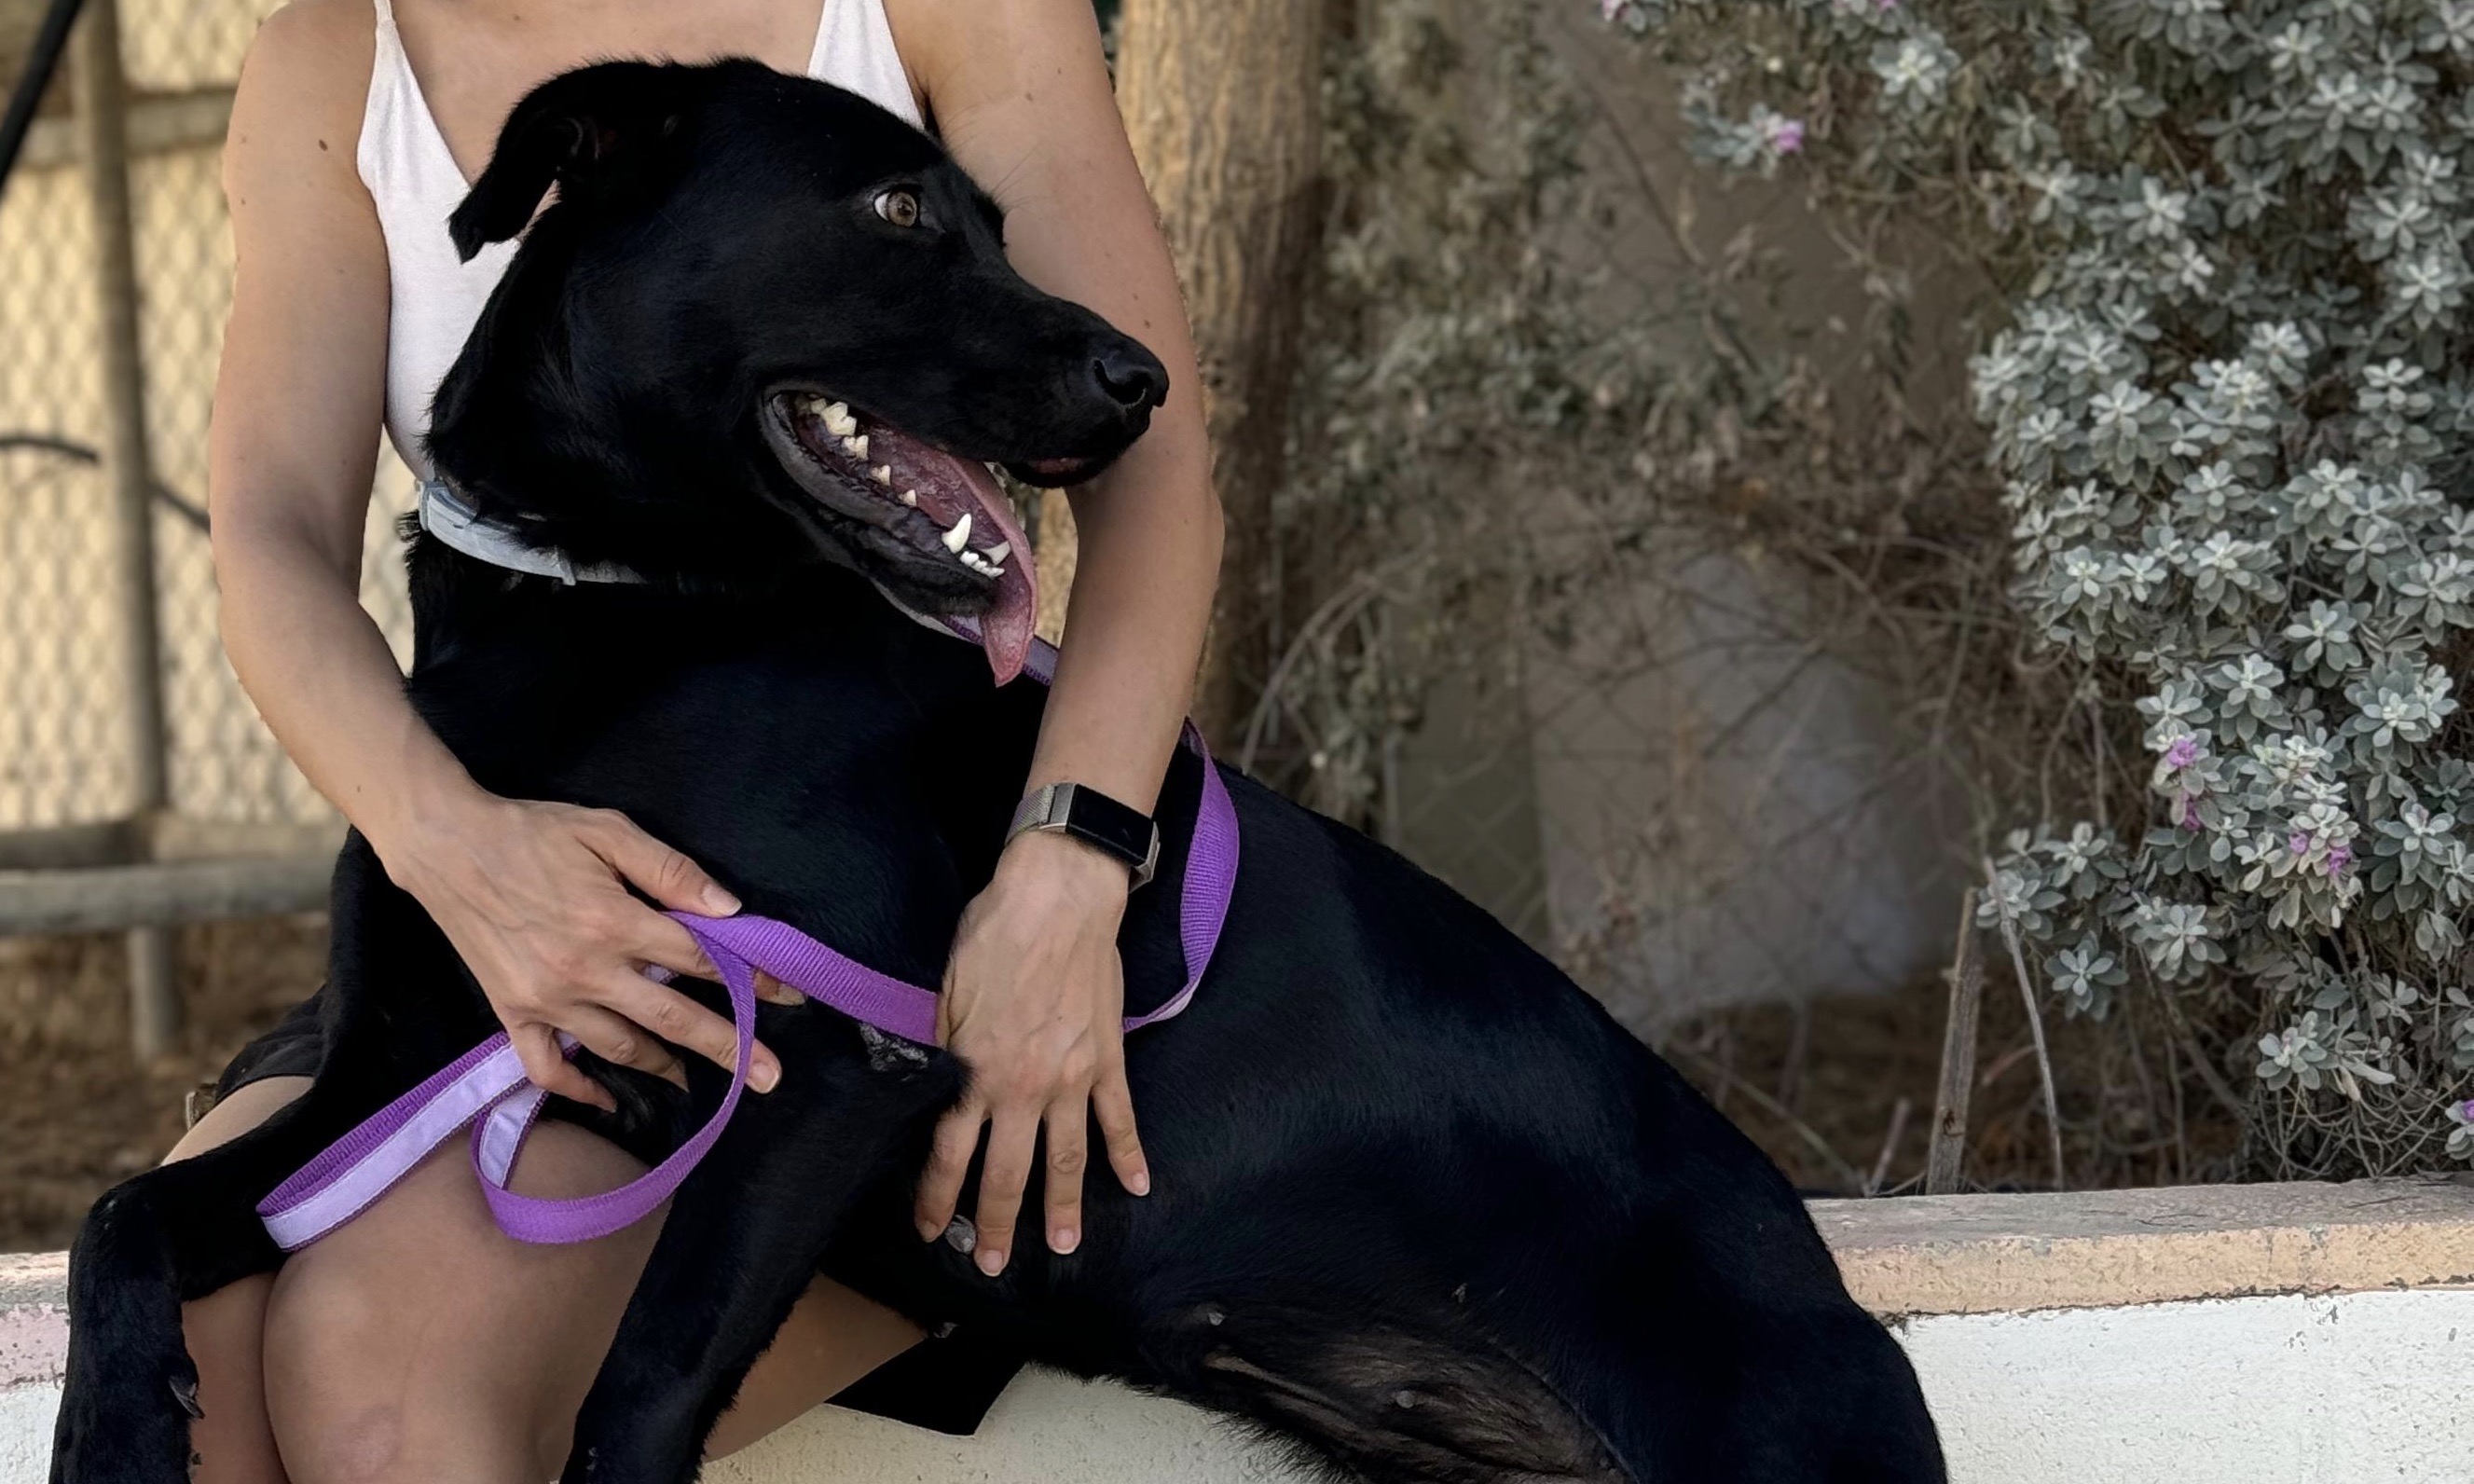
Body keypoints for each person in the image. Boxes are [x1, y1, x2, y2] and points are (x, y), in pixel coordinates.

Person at [176, 0, 1220, 1476]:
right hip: (499, 905)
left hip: (843, 958)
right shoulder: (337, 56)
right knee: (184, 1349)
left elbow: (1155, 495)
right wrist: (457, 853)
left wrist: (1068, 875)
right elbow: (271, 537)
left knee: (383, 1393)